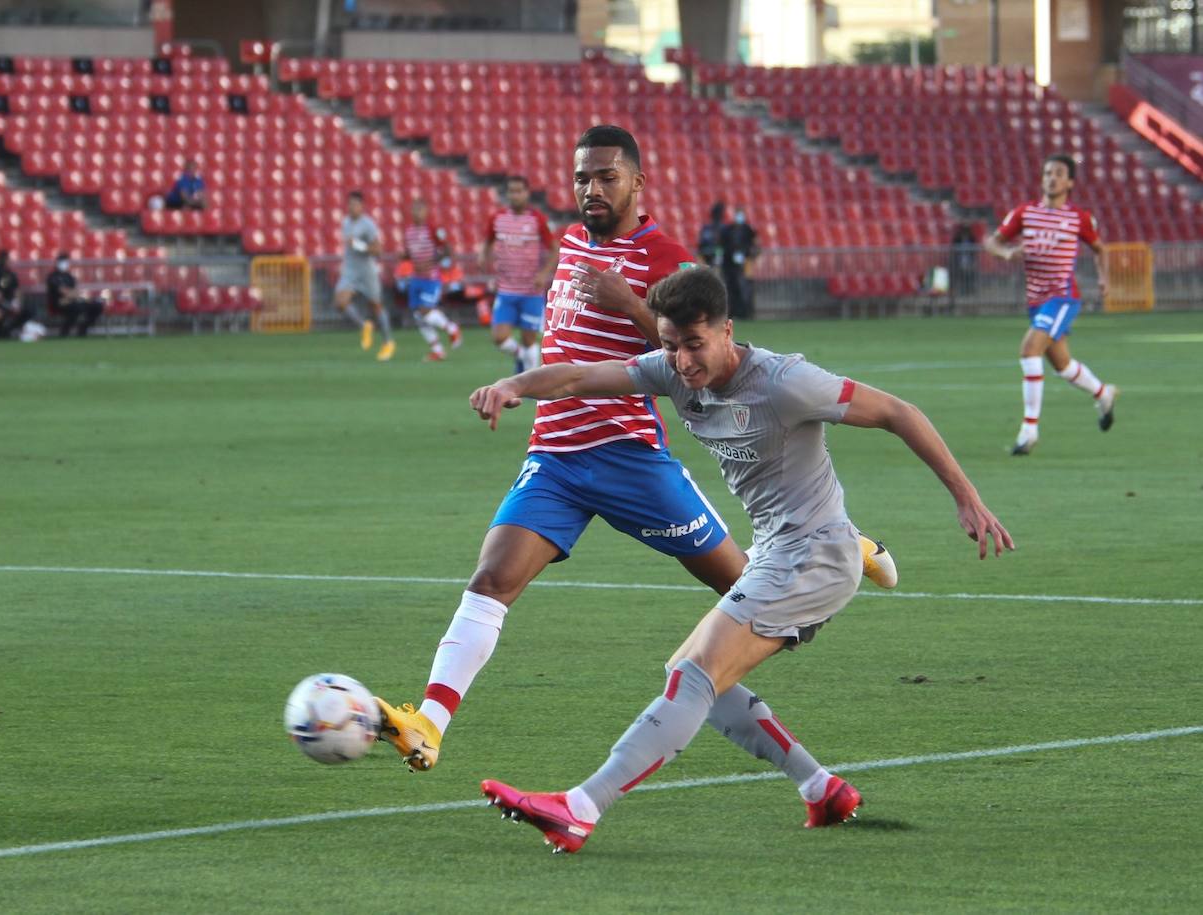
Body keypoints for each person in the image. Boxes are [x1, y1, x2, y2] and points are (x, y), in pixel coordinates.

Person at [373, 125, 896, 775]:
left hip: (629, 455)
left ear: (637, 183)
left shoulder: (663, 257)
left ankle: (841, 544)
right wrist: (516, 386)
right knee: (491, 580)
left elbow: (708, 355)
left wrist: (631, 305)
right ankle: (430, 722)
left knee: (744, 586)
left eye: (607, 177)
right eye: (582, 178)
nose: (592, 189)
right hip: (556, 456)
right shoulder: (567, 242)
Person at [472, 266, 1014, 853]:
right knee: (694, 673)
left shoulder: (785, 382)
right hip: (777, 551)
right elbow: (580, 376)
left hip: (815, 556)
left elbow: (898, 413)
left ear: (727, 331)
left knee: (694, 675)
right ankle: (820, 786)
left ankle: (579, 808)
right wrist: (516, 386)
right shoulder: (672, 370)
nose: (681, 361)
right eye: (671, 345)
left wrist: (967, 499)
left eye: (694, 345)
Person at [984, 154, 1116, 456]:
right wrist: (1006, 254)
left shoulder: (1078, 218)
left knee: (1029, 350)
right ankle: (1103, 392)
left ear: (1069, 182)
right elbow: (992, 241)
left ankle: (1029, 430)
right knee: (1062, 365)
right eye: (1047, 173)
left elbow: (1099, 248)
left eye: (1058, 173)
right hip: (1036, 299)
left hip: (1063, 296)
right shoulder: (1025, 213)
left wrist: (1104, 279)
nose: (1051, 178)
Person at [483, 175, 558, 372]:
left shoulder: (537, 220)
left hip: (530, 292)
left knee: (529, 340)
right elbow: (488, 241)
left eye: (519, 191)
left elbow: (554, 249)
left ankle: (531, 385)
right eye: (511, 191)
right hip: (506, 290)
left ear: (527, 194)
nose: (515, 195)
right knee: (499, 338)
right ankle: (520, 356)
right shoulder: (497, 218)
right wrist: (484, 257)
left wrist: (543, 273)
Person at [334, 190, 396, 361]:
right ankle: (364, 325)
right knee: (340, 302)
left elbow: (378, 251)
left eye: (355, 204)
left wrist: (360, 245)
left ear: (362, 206)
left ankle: (388, 342)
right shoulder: (345, 222)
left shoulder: (368, 225)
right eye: (350, 204)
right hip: (350, 270)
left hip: (366, 270)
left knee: (376, 306)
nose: (352, 208)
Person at [403, 198, 462, 361]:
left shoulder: (433, 229)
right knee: (418, 316)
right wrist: (404, 256)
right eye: (414, 210)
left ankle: (451, 328)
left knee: (425, 311)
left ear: (426, 212)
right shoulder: (409, 232)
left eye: (420, 210)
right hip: (416, 278)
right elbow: (410, 253)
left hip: (431, 278)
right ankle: (437, 350)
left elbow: (447, 249)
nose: (417, 213)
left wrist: (432, 262)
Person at [45, 253, 104, 337]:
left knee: (97, 306)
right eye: (62, 262)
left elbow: (74, 292)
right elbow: (63, 291)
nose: (64, 264)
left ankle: (83, 329)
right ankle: (64, 332)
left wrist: (73, 295)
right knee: (75, 308)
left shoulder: (69, 276)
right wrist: (73, 295)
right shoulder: (53, 277)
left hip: (71, 301)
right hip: (58, 303)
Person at [0, 249, 32, 339]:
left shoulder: (11, 275)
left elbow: (17, 290)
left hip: (10, 302)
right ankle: (0, 332)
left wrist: (17, 302)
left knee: (28, 311)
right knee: (0, 312)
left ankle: (9, 329)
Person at [721, 207, 759, 319]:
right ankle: (732, 312)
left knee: (744, 288)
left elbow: (755, 245)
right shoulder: (728, 229)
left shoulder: (748, 229)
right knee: (731, 288)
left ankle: (745, 312)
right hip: (729, 264)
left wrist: (748, 256)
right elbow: (722, 244)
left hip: (744, 264)